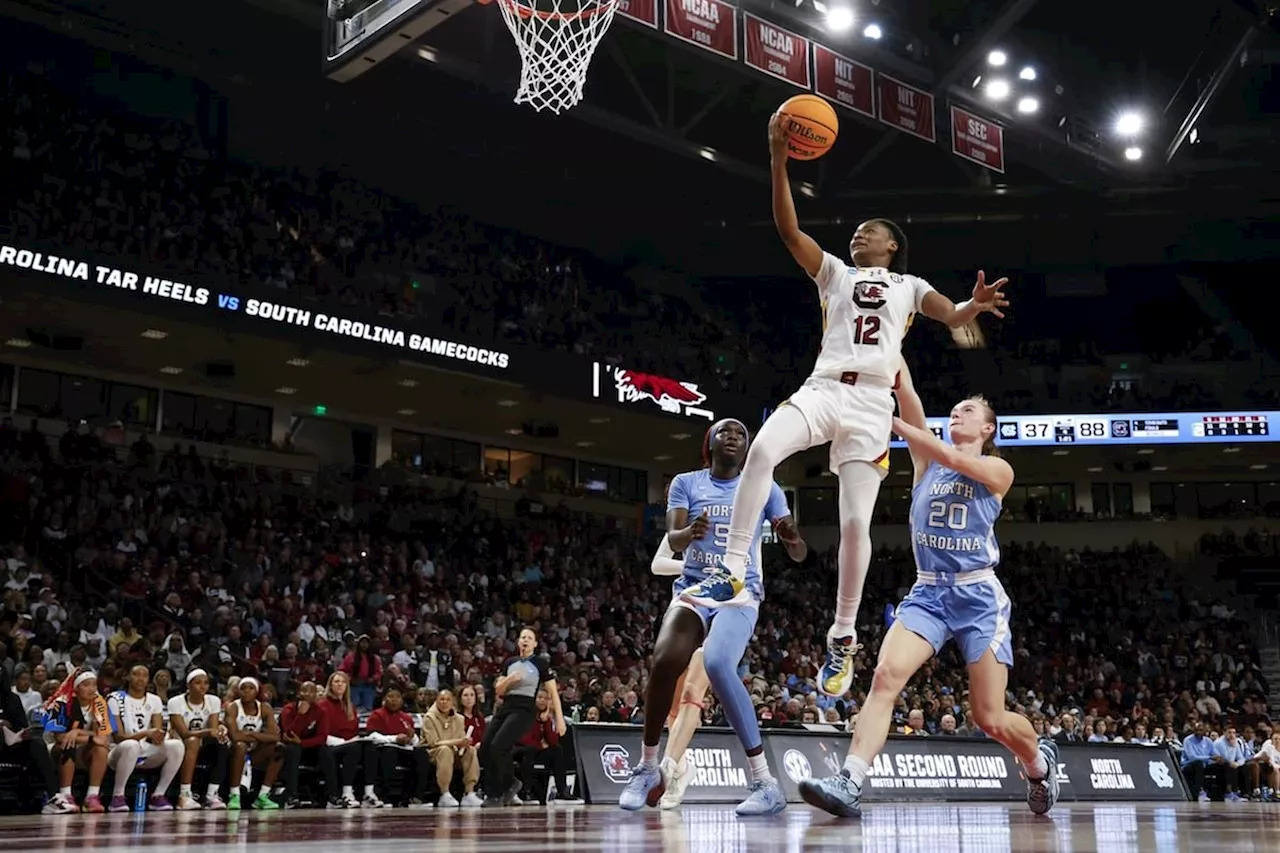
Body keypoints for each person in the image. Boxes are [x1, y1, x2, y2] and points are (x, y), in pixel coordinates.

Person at [679, 112, 1010, 701]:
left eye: (870, 232)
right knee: (762, 449)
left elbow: (950, 315)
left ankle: (842, 635)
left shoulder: (909, 285)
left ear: (893, 246)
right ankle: (731, 566)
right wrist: (779, 160)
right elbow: (788, 231)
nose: (859, 236)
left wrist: (971, 306)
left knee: (855, 523)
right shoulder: (833, 271)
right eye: (856, 231)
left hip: (870, 405)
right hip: (825, 385)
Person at [798, 361, 1057, 818]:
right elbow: (913, 404)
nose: (956, 414)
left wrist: (892, 424)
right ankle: (850, 781)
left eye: (968, 411)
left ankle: (1038, 764)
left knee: (989, 718)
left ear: (988, 427)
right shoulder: (926, 463)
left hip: (978, 598)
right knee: (884, 678)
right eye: (953, 410)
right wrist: (897, 373)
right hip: (929, 593)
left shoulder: (997, 468)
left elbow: (952, 457)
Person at [621, 418, 807, 815]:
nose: (733, 438)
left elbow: (799, 553)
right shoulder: (686, 483)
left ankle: (764, 782)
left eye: (741, 434)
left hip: (740, 593)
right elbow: (672, 539)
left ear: (748, 447)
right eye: (725, 432)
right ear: (710, 442)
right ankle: (648, 768)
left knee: (720, 663)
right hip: (695, 587)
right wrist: (690, 532)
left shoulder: (765, 486)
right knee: (665, 659)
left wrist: (791, 537)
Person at [648, 526, 712, 810]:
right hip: (686, 612)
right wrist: (694, 566)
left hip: (722, 612)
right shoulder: (687, 528)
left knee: (691, 691)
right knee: (673, 708)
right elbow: (658, 564)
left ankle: (669, 767)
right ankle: (683, 767)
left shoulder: (736, 525)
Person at [480, 627, 565, 808]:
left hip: (525, 709)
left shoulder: (540, 663)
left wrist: (559, 718)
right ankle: (505, 787)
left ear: (534, 643)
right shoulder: (510, 662)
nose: (525, 640)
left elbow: (553, 693)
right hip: (506, 706)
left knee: (498, 745)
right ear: (518, 642)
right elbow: (498, 690)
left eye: (529, 638)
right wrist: (510, 679)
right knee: (486, 746)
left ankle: (502, 789)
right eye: (522, 637)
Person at [106, 664, 184, 811]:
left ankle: (158, 795)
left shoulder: (154, 700)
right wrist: (145, 733)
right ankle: (117, 797)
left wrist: (159, 735)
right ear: (128, 677)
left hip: (145, 750)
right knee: (131, 745)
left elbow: (156, 733)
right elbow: (118, 737)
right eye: (136, 674)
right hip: (119, 751)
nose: (140, 678)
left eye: (144, 675)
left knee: (176, 745)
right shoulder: (115, 699)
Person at [0, 664, 65, 813]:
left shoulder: (12, 698)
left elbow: (22, 725)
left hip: (10, 744)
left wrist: (19, 730)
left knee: (37, 743)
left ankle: (53, 796)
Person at [46, 669, 111, 813]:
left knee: (101, 749)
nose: (92, 689)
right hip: (56, 750)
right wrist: (89, 736)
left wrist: (78, 732)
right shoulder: (61, 702)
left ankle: (92, 797)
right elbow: (60, 737)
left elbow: (102, 739)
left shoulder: (99, 702)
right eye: (86, 685)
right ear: (76, 687)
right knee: (69, 744)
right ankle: (65, 795)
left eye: (94, 685)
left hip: (84, 748)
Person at [167, 668, 229, 810]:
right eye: (198, 683)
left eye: (206, 683)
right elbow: (184, 733)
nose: (203, 686)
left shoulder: (213, 700)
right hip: (179, 743)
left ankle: (212, 795)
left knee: (221, 743)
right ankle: (184, 795)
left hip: (203, 742)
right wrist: (209, 731)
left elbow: (213, 729)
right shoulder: (175, 702)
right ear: (188, 685)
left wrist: (218, 732)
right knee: (193, 741)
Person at [317, 670, 380, 808]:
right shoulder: (322, 705)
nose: (340, 685)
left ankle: (368, 794)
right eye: (337, 682)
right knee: (354, 748)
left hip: (349, 743)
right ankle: (347, 793)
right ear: (330, 685)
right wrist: (345, 742)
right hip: (330, 746)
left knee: (370, 748)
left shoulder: (350, 706)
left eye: (343, 682)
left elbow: (354, 730)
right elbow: (321, 732)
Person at [224, 677, 283, 810]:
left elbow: (275, 736)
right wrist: (261, 736)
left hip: (255, 753)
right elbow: (234, 736)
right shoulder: (233, 707)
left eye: (251, 688)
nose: (246, 691)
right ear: (238, 691)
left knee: (279, 748)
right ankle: (234, 795)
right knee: (240, 746)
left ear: (257, 691)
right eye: (243, 688)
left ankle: (263, 796)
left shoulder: (264, 708)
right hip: (234, 753)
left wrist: (253, 734)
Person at [420, 688, 482, 808]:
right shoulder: (429, 718)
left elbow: (461, 738)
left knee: (471, 750)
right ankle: (445, 793)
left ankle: (469, 792)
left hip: (455, 751)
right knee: (445, 750)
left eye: (448, 699)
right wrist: (457, 741)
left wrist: (464, 742)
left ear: (452, 702)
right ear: (437, 701)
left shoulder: (459, 718)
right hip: (433, 752)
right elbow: (434, 742)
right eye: (442, 699)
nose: (445, 702)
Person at [514, 688, 576, 803]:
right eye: (540, 698)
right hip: (520, 750)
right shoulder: (525, 714)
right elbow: (524, 739)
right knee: (530, 750)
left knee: (557, 750)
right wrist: (541, 746)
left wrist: (546, 721)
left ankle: (562, 791)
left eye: (546, 698)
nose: (542, 701)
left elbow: (552, 741)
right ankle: (526, 792)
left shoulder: (544, 717)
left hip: (536, 750)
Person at [279, 680, 329, 809]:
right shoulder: (289, 709)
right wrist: (301, 715)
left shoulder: (320, 711)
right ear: (298, 693)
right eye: (305, 690)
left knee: (325, 751)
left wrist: (302, 742)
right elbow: (289, 734)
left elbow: (322, 737)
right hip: (290, 748)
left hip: (308, 747)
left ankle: (331, 796)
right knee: (293, 749)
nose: (308, 694)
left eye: (312, 691)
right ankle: (292, 796)